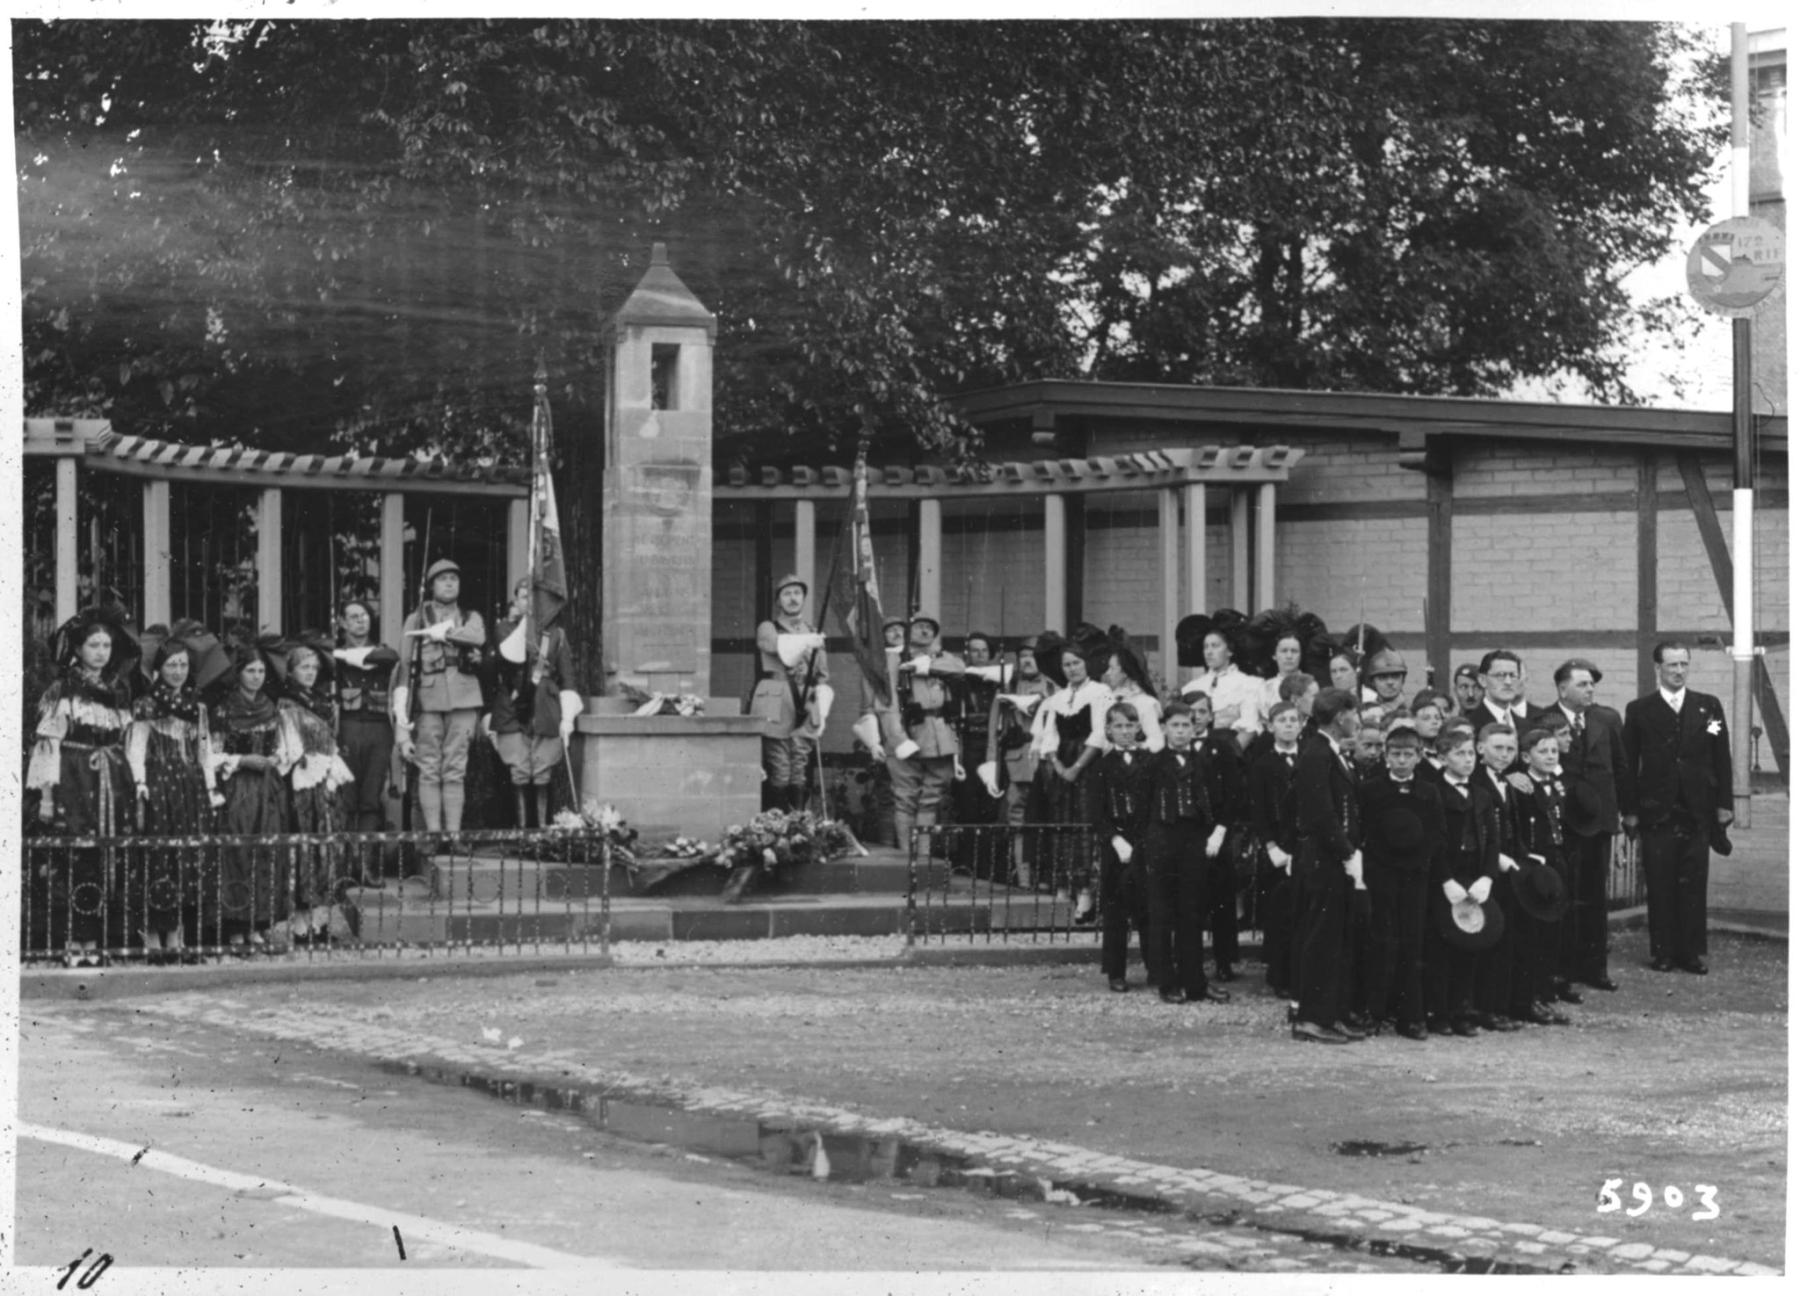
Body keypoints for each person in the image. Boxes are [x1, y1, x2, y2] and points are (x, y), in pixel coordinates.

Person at [28, 608, 141, 967]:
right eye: (94, 644)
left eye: (107, 645)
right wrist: (46, 796)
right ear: (78, 649)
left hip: (112, 782)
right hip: (75, 782)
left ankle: (96, 941)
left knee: (107, 860)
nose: (101, 652)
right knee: (75, 859)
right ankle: (72, 943)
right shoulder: (64, 691)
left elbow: (127, 740)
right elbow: (48, 745)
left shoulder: (118, 692)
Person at [1620, 640, 1734, 976]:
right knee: (1660, 882)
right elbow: (1628, 763)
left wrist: (1724, 803)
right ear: (1658, 668)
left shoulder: (1708, 707)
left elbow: (1720, 754)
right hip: (1658, 811)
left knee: (1693, 882)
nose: (1679, 671)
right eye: (1672, 665)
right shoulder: (1639, 710)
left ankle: (1691, 952)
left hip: (1697, 811)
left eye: (1684, 664)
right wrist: (1630, 810)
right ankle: (1663, 952)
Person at [126, 630, 223, 963]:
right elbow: (136, 749)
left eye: (182, 665)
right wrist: (140, 783)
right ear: (159, 668)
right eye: (171, 665)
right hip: (159, 785)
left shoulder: (197, 708)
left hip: (190, 787)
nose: (177, 671)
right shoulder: (147, 704)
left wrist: (211, 789)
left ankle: (179, 935)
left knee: (188, 860)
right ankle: (154, 936)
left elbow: (205, 751)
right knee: (159, 858)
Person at [1357, 722, 1445, 1040]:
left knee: (1412, 942)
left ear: (1419, 756)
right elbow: (1362, 831)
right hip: (1381, 873)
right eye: (1396, 754)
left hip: (1415, 875)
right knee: (1381, 941)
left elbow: (1436, 834)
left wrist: (1417, 860)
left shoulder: (1428, 792)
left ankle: (1411, 1015)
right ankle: (1375, 1011)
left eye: (1408, 754)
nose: (1402, 760)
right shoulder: (1371, 789)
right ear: (1385, 756)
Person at [1290, 687, 1368, 1044]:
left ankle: (1330, 1012)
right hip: (1324, 861)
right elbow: (1321, 814)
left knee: (1335, 939)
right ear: (1340, 716)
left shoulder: (1331, 753)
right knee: (1321, 939)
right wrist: (1347, 852)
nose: (1358, 719)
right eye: (1354, 713)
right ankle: (1311, 1018)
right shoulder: (1317, 754)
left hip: (1333, 859)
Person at [1144, 701, 1230, 1006]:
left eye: (1186, 726)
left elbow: (1220, 802)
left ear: (1194, 728)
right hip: (1163, 840)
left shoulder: (1205, 762)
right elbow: (1144, 810)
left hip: (1195, 841)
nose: (1181, 731)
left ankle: (1195, 981)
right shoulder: (1152, 764)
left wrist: (1215, 832)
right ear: (1165, 728)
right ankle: (1167, 982)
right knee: (1163, 912)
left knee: (1192, 912)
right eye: (1175, 726)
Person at [394, 558, 488, 834]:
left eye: (454, 578)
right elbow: (404, 666)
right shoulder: (416, 618)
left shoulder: (471, 617)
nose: (449, 583)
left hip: (464, 701)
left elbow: (477, 637)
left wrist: (442, 633)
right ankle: (434, 834)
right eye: (442, 578)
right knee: (430, 769)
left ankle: (454, 835)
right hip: (428, 702)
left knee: (455, 770)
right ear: (431, 585)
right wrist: (402, 727)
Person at [210, 641, 292, 955]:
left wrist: (274, 759)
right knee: (237, 853)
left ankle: (258, 926)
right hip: (236, 788)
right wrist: (243, 760)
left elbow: (282, 747)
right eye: (250, 670)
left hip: (266, 789)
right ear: (238, 673)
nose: (256, 677)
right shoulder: (224, 709)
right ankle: (234, 929)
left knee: (265, 852)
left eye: (260, 671)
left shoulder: (270, 707)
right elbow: (213, 753)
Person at [1550, 657, 1625, 991]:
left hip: (1599, 824)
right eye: (1582, 684)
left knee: (1595, 898)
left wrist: (1624, 814)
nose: (1590, 689)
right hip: (1564, 824)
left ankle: (1595, 969)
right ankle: (1563, 970)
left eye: (1592, 684)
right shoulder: (1545, 720)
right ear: (1562, 688)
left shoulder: (1607, 719)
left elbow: (1621, 770)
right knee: (1563, 896)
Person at [278, 642, 357, 943]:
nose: (310, 673)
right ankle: (301, 927)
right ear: (291, 671)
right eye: (303, 667)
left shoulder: (321, 701)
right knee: (306, 852)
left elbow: (331, 742)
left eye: (313, 668)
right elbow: (292, 749)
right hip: (303, 785)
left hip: (326, 784)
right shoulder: (287, 705)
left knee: (327, 852)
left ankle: (321, 923)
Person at [488, 576, 582, 829]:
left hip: (546, 708)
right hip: (512, 705)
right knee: (518, 771)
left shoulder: (557, 635)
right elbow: (510, 655)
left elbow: (568, 679)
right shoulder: (504, 630)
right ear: (515, 602)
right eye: (523, 596)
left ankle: (541, 833)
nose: (529, 602)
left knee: (542, 771)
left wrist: (568, 716)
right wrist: (528, 622)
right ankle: (521, 834)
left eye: (534, 597)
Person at [1030, 642, 1111, 916]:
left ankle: (1086, 892)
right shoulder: (1056, 699)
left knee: (1084, 826)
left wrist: (1076, 767)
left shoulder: (1100, 692)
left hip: (1088, 764)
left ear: (1086, 663)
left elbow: (1100, 734)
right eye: (1067, 664)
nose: (1072, 668)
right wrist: (1057, 765)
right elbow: (1048, 736)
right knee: (1062, 825)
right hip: (1060, 766)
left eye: (1077, 662)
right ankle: (1063, 887)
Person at [1423, 727, 1488, 1037]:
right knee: (1441, 945)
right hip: (1445, 877)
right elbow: (1432, 841)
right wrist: (1445, 879)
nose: (1467, 760)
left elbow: (1493, 839)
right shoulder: (1432, 791)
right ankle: (1439, 1011)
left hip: (1473, 875)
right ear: (1442, 757)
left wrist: (1487, 876)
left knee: (1470, 942)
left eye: (1471, 753)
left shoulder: (1481, 793)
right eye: (1459, 754)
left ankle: (1464, 1009)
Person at [748, 574, 829, 812]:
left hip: (806, 701)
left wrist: (822, 705)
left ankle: (798, 826)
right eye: (786, 594)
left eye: (797, 593)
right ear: (778, 601)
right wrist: (807, 641)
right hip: (777, 698)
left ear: (803, 598)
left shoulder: (813, 631)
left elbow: (823, 674)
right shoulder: (768, 627)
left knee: (799, 766)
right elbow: (776, 648)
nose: (792, 599)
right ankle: (777, 824)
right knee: (780, 766)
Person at [887, 611, 966, 853]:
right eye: (919, 627)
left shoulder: (943, 659)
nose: (924, 631)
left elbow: (959, 669)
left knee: (931, 799)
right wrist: (898, 739)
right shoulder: (893, 660)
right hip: (907, 732)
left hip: (939, 736)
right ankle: (905, 859)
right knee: (906, 798)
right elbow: (886, 703)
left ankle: (922, 860)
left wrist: (927, 666)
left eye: (929, 628)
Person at [331, 598, 400, 873]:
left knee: (371, 798)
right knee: (346, 798)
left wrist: (350, 657)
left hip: (378, 729)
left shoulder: (381, 652)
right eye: (354, 616)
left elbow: (390, 658)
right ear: (342, 622)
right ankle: (345, 866)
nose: (362, 620)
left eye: (365, 615)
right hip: (347, 728)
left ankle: (365, 865)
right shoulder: (332, 655)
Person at [984, 634, 1057, 888]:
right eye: (1023, 656)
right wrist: (991, 767)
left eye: (1033, 656)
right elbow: (994, 732)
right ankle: (1024, 880)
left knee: (1046, 821)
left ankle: (1047, 877)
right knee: (1017, 822)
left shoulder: (1053, 686)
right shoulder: (1007, 687)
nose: (1028, 661)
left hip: (1045, 762)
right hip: (1016, 764)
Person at [1468, 723, 1528, 1030]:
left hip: (1509, 871)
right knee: (1488, 938)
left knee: (1507, 937)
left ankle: (1502, 1004)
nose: (1505, 755)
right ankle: (1484, 1007)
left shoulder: (1508, 781)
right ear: (1480, 749)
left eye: (1510, 749)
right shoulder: (1477, 782)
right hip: (1486, 870)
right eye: (1498, 748)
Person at [1095, 703, 1157, 992]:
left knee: (1149, 908)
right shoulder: (1101, 766)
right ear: (1108, 730)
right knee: (1116, 910)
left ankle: (1156, 968)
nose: (1124, 731)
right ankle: (1116, 971)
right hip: (1116, 844)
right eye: (1118, 726)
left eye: (1129, 726)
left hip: (1145, 842)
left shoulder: (1151, 762)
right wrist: (1116, 840)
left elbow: (1157, 805)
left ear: (1138, 728)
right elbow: (1095, 811)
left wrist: (1144, 841)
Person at [1516, 726, 1575, 1023]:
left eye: (1554, 750)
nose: (1550, 756)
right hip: (1535, 865)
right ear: (1526, 756)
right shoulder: (1521, 786)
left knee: (1553, 930)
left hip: (1556, 861)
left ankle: (1547, 989)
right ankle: (1531, 996)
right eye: (1543, 751)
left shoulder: (1557, 784)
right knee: (1533, 932)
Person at [1247, 699, 1304, 998]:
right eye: (1282, 721)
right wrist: (1270, 845)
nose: (1289, 726)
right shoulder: (1263, 765)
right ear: (1271, 727)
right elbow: (1258, 810)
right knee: (1278, 910)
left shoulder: (1308, 758)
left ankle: (1299, 973)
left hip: (1303, 845)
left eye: (1294, 720)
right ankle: (1278, 974)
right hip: (1277, 846)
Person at [949, 631, 1004, 878]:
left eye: (984, 651)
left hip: (994, 746)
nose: (979, 655)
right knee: (967, 804)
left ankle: (989, 867)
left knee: (991, 806)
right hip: (969, 744)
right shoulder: (961, 681)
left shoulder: (1000, 680)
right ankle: (965, 864)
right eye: (974, 650)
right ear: (967, 653)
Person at [1181, 618, 1263, 749]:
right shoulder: (1192, 686)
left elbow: (1249, 729)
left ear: (1229, 651)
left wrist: (1226, 758)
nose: (1209, 651)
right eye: (1206, 647)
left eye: (1215, 646)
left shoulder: (1248, 684)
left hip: (1232, 753)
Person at [1102, 635, 1164, 752]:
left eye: (1112, 668)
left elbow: (1156, 742)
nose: (1107, 673)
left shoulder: (1145, 703)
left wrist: (1133, 747)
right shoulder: (1108, 698)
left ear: (1125, 672)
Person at [1464, 649, 1539, 733]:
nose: (1508, 682)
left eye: (1512, 675)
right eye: (1500, 675)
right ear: (1482, 680)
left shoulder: (1526, 725)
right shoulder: (1470, 725)